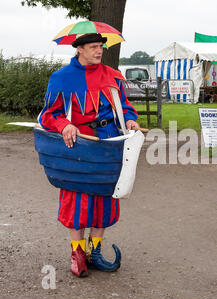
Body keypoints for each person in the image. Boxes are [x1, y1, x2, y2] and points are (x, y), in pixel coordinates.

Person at [38, 33, 140, 277]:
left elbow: (124, 106)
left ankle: (95, 253)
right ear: (79, 49)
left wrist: (130, 119)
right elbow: (48, 114)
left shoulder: (112, 76)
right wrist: (64, 125)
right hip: (78, 149)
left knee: (104, 200)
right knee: (76, 204)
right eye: (93, 47)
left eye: (101, 47)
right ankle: (77, 255)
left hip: (108, 145)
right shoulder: (61, 78)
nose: (99, 51)